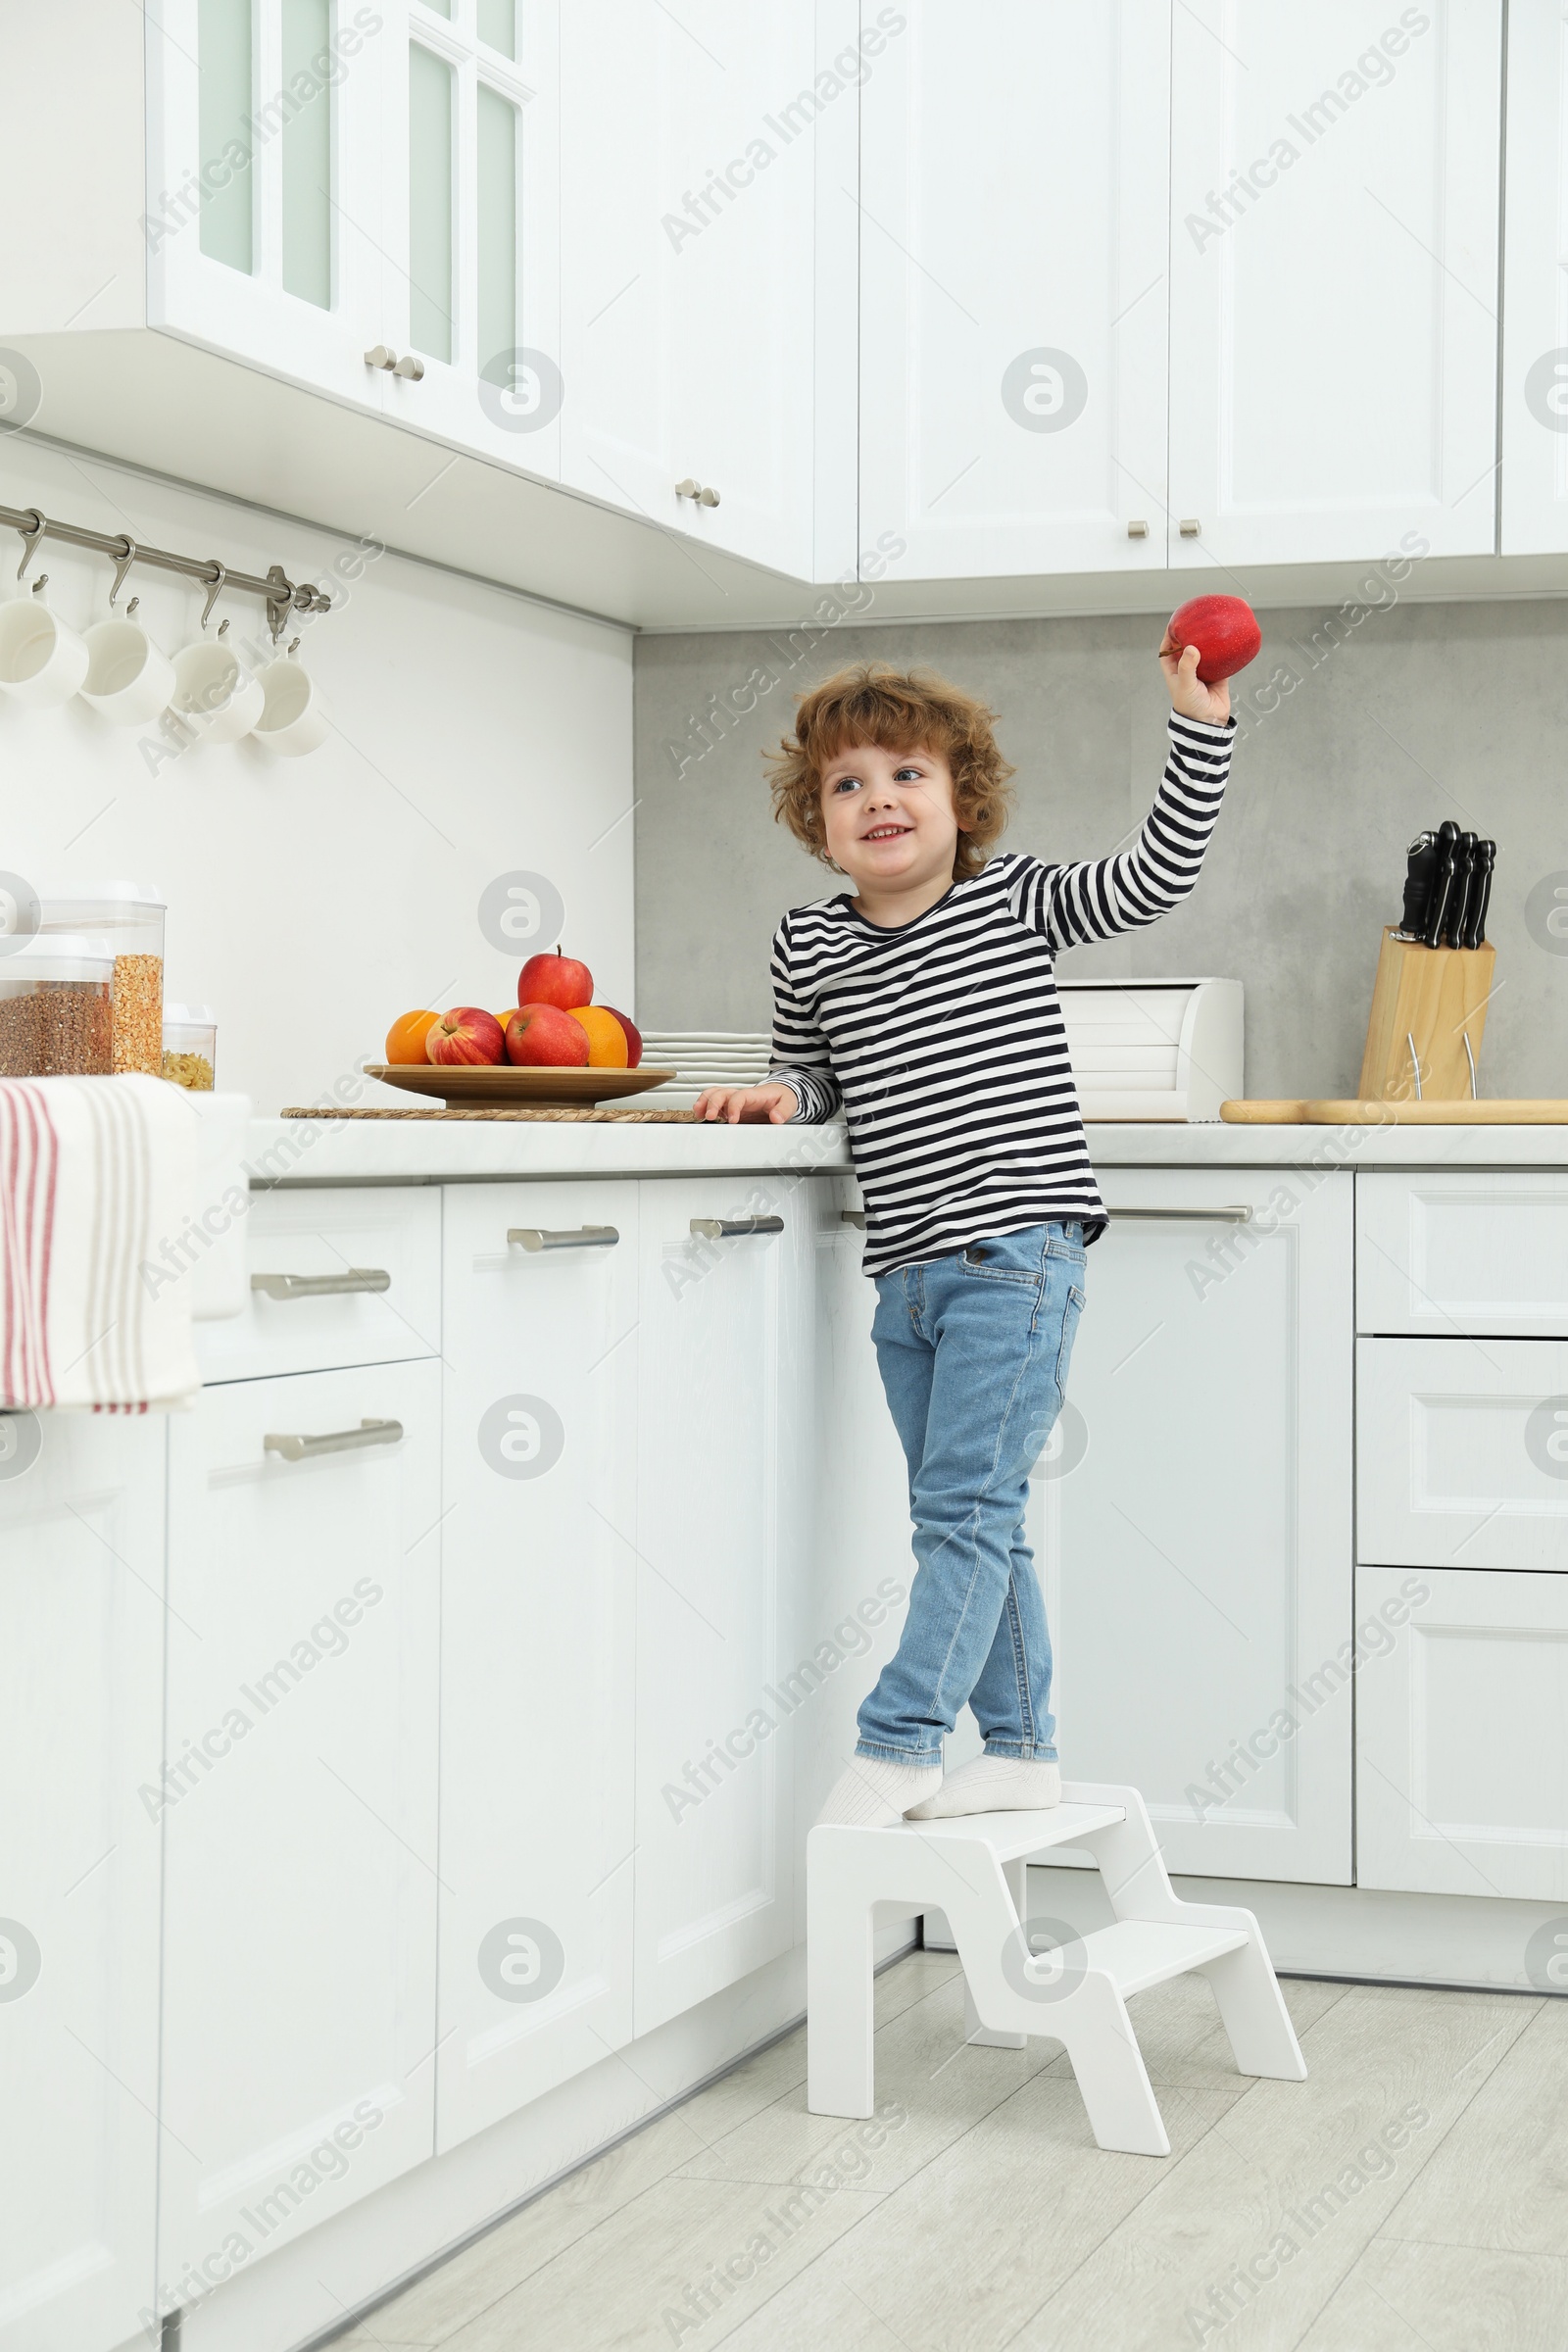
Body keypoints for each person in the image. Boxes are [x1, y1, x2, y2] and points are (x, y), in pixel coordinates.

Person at [694, 637, 1233, 1827]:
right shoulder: (809, 942)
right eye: (847, 784)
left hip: (1017, 1256)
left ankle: (897, 1742)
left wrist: (1198, 727)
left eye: (907, 775)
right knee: (979, 1524)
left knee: (962, 1519)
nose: (878, 798)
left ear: (961, 799)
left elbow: (1155, 877)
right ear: (815, 821)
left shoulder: (1013, 899)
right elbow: (811, 1070)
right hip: (907, 1284)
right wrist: (782, 1096)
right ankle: (1025, 1747)